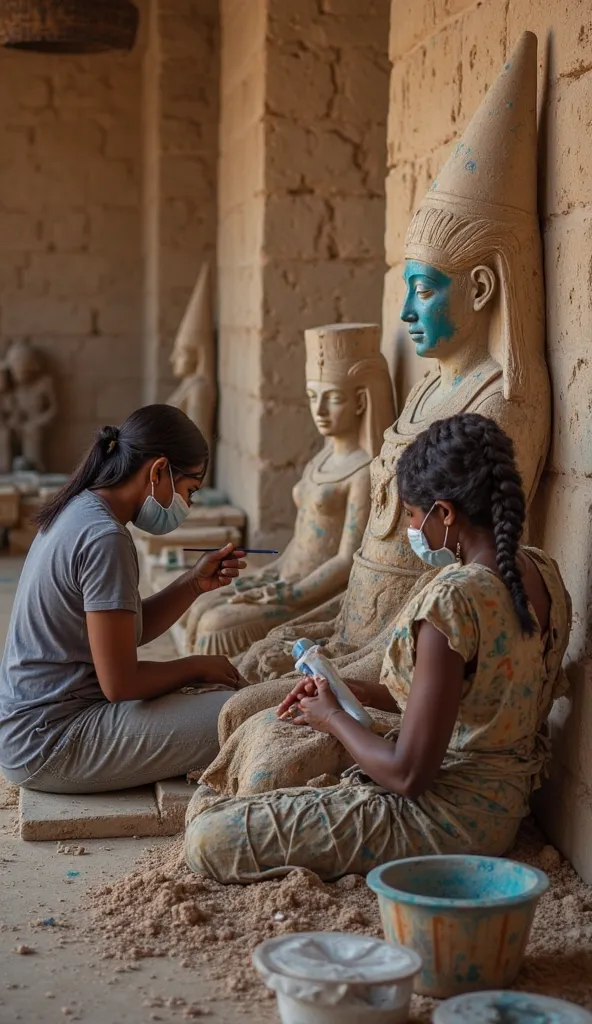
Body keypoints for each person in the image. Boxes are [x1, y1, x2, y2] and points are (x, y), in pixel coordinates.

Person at [185, 413, 571, 883]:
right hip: (503, 808)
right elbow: (480, 695)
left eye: (412, 515)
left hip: (445, 822)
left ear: (445, 514)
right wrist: (363, 693)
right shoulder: (541, 573)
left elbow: (408, 776)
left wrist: (333, 719)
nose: (412, 529)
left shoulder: (454, 600)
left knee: (210, 837)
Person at [0, 405, 246, 794]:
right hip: (51, 744)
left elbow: (122, 633)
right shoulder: (104, 537)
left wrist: (193, 584)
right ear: (158, 471)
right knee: (245, 715)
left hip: (32, 731)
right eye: (189, 491)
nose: (188, 505)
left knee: (225, 698)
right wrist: (196, 666)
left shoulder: (82, 509)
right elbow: (121, 683)